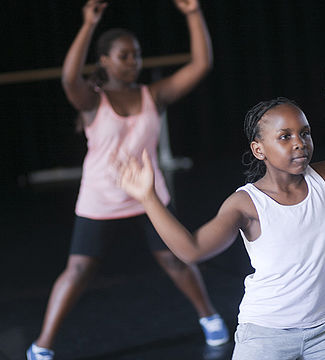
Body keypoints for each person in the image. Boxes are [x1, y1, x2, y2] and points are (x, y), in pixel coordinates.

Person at [117, 62, 325, 359]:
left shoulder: (324, 177)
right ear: (259, 150)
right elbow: (192, 251)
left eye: (304, 133)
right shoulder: (246, 203)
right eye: (285, 137)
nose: (299, 143)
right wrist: (148, 198)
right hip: (266, 334)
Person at [26, 1, 229, 359]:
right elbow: (68, 78)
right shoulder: (91, 99)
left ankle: (209, 317)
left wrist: (193, 13)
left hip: (147, 193)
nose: (132, 61)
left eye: (136, 55)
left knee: (175, 259)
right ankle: (42, 345)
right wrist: (89, 24)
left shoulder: (154, 95)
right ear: (104, 60)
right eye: (123, 56)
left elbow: (201, 65)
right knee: (78, 269)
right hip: (100, 195)